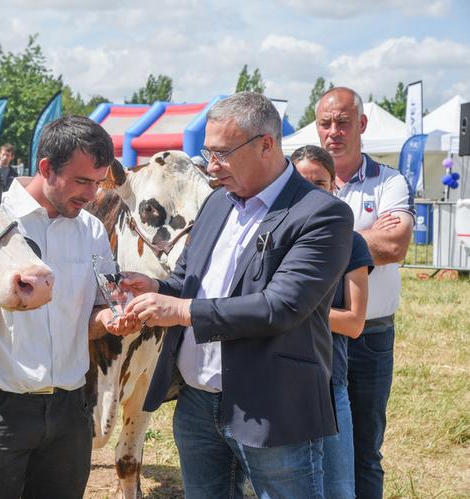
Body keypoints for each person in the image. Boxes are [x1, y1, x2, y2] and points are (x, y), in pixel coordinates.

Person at [121, 92, 354, 498]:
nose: (211, 167)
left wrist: (178, 308)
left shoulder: (322, 213)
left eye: (222, 153)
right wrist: (157, 287)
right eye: (208, 152)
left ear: (267, 144)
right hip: (197, 405)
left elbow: (279, 307)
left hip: (272, 406)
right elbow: (187, 278)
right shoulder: (216, 203)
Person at [0, 115, 140, 499]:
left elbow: (94, 315)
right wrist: (3, 293)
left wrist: (115, 318)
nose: (92, 195)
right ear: (46, 167)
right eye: (82, 181)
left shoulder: (92, 230)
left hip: (70, 408)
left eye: (99, 183)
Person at [315, 87, 414, 498]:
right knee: (312, 442)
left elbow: (395, 246)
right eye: (325, 123)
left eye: (342, 122)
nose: (333, 132)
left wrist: (319, 241)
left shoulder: (388, 181)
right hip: (312, 331)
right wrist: (362, 239)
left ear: (362, 125)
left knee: (365, 449)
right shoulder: (302, 179)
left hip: (370, 335)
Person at [292, 145, 374, 499]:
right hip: (278, 387)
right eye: (301, 181)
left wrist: (288, 309)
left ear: (333, 187)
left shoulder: (351, 243)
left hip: (329, 383)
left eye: (319, 183)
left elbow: (355, 322)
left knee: (339, 488)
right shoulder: (272, 239)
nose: (311, 190)